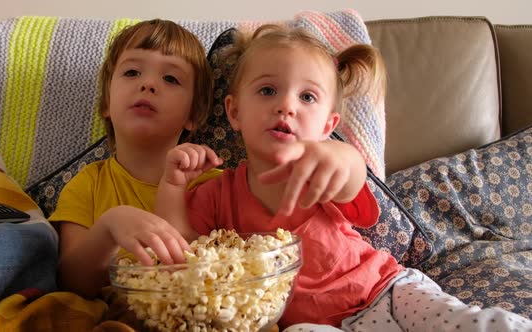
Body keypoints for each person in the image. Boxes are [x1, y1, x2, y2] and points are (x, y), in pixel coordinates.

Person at [156, 25, 532, 332]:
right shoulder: (219, 193)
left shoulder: (328, 168)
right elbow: (184, 253)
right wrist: (172, 185)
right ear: (234, 112)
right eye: (268, 90)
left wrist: (343, 156)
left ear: (328, 125)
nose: (286, 105)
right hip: (308, 324)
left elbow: (352, 177)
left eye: (307, 97)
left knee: (463, 323)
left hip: (386, 290)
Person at [48, 19, 223, 299]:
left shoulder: (217, 185)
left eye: (170, 78)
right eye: (132, 72)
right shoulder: (87, 184)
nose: (149, 83)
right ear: (106, 102)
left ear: (194, 114)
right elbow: (71, 281)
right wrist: (108, 228)